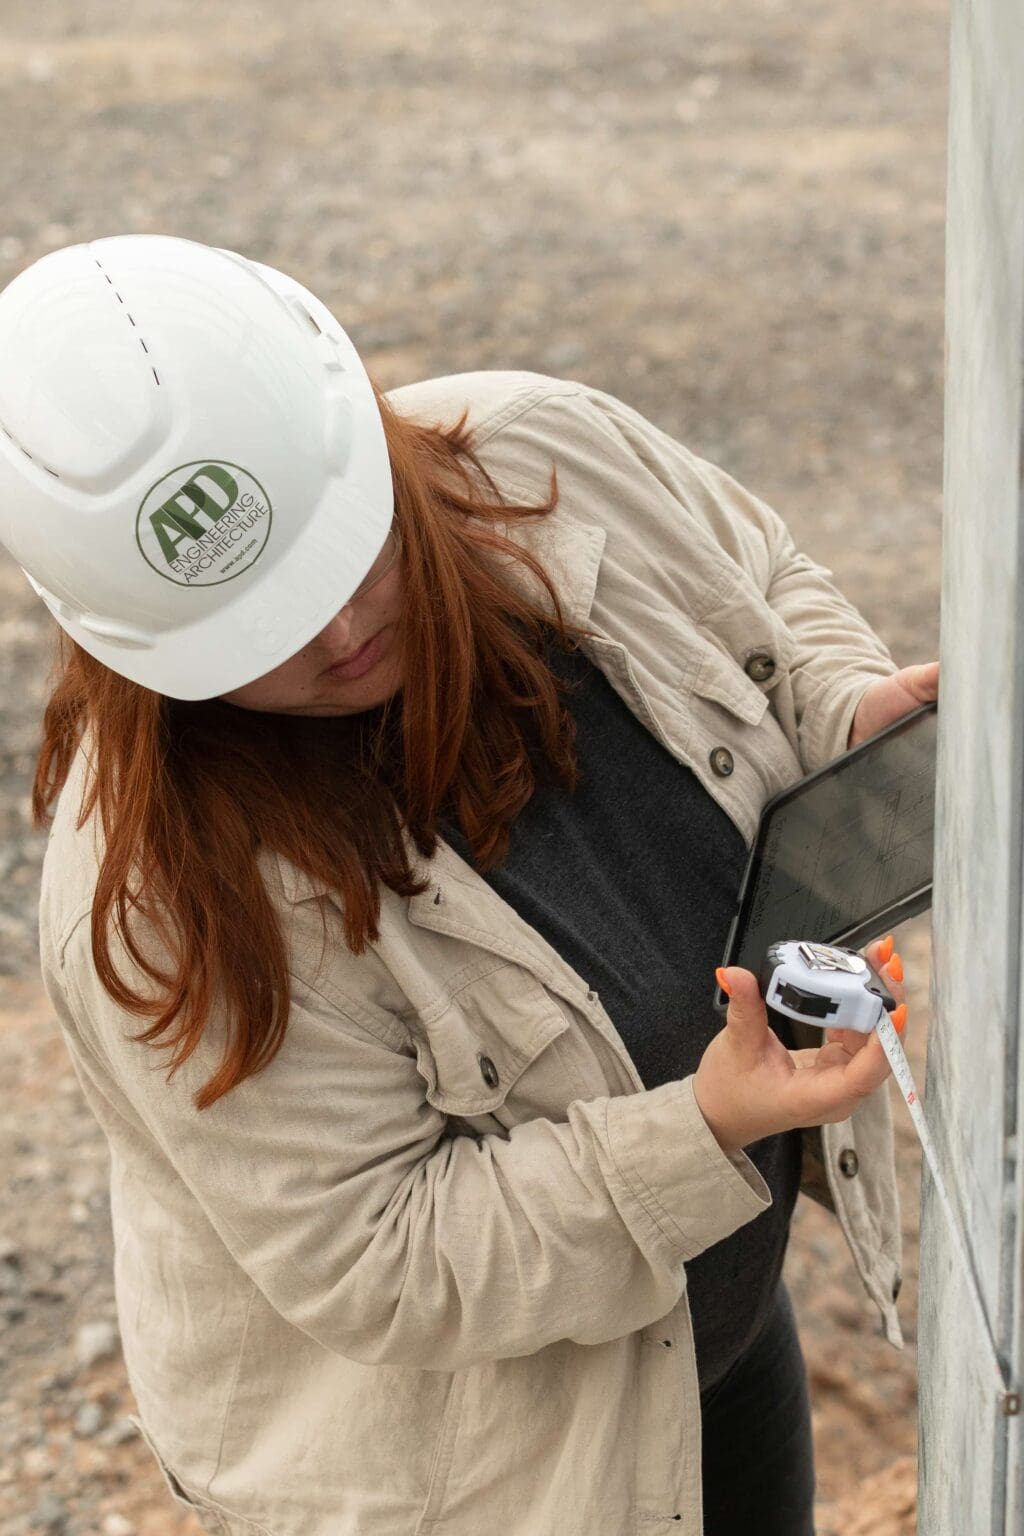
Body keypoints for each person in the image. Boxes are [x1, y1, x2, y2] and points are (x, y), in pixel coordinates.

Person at [2, 234, 937, 1536]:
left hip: (702, 1336)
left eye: (348, 557)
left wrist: (839, 703)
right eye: (260, 633)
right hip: (482, 1481)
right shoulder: (161, 896)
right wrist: (705, 1129)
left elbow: (760, 575)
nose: (340, 638)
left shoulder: (546, 451)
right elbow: (376, 1256)